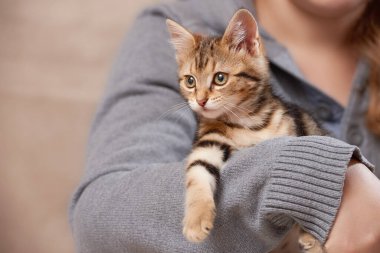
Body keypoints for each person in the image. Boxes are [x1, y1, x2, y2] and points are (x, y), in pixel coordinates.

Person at [70, 0, 380, 252]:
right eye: (192, 82)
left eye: (218, 79)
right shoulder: (181, 20)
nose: (201, 98)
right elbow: (99, 219)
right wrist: (306, 176)